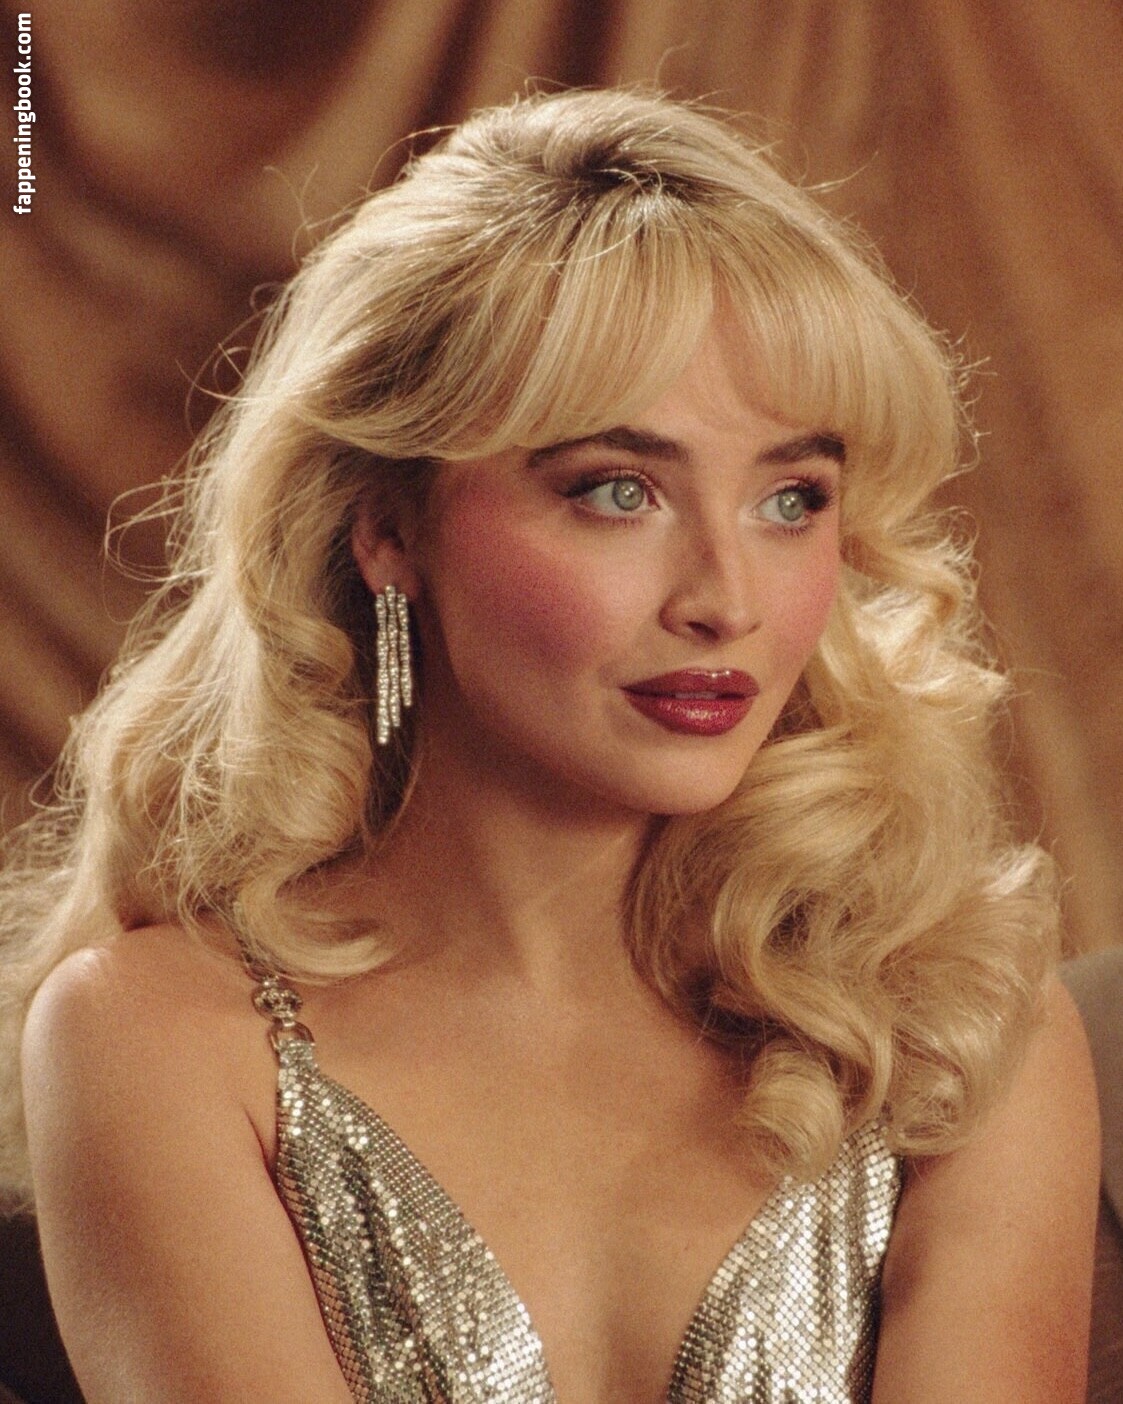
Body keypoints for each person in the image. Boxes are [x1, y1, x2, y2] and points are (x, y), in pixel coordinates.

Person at [0, 87, 1100, 1403]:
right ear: (388, 528)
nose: (728, 600)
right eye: (619, 492)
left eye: (790, 499)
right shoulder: (161, 1040)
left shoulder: (952, 1022)